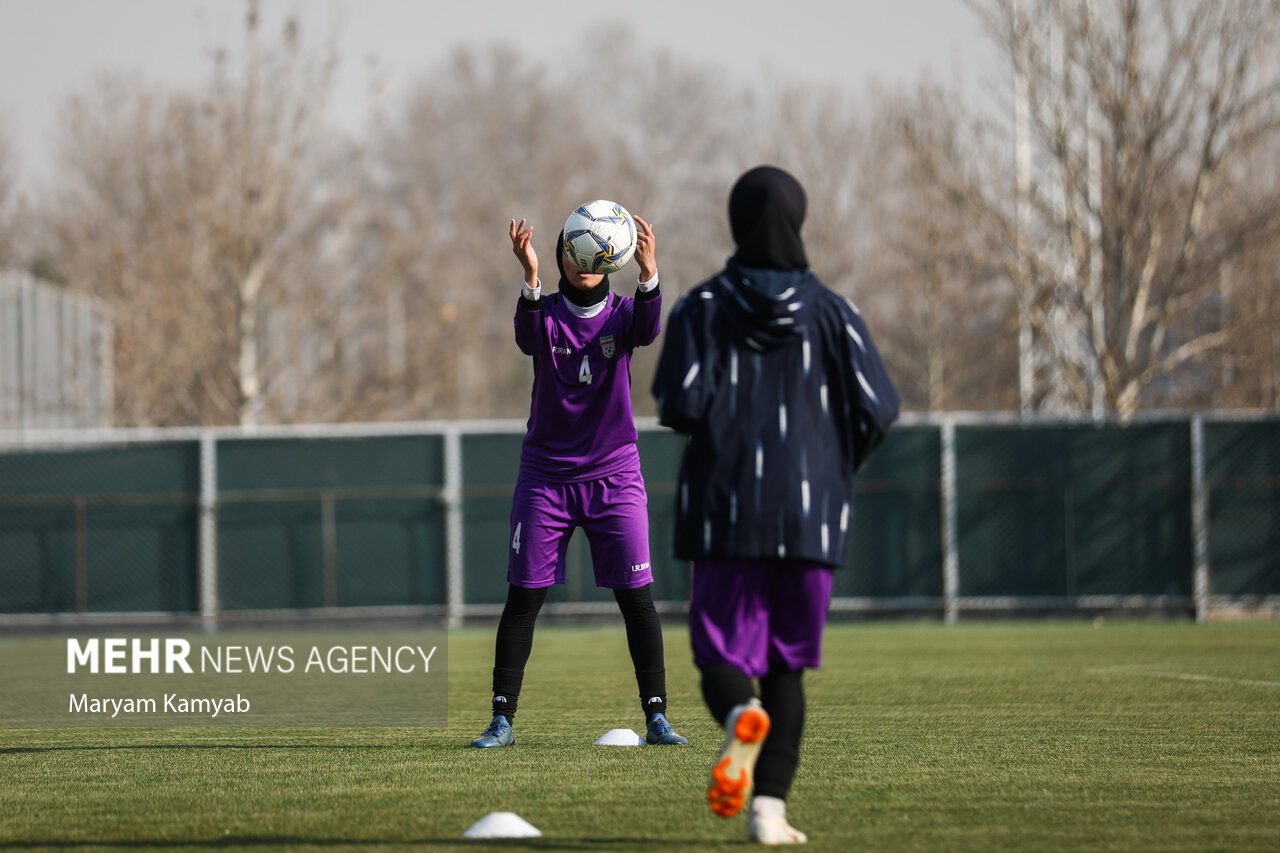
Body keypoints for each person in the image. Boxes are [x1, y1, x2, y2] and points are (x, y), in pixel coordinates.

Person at [651, 166, 898, 844]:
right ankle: (770, 813)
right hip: (813, 514)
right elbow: (878, 408)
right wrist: (830, 467)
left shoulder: (701, 308)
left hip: (728, 510)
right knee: (788, 665)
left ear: (735, 222)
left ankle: (738, 719)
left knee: (721, 656)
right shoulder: (835, 313)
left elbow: (679, 403)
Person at [469, 208, 687, 749]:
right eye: (574, 248)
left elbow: (651, 325)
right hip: (546, 478)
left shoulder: (621, 315)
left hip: (615, 475)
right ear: (566, 253)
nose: (584, 259)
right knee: (524, 598)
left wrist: (650, 270)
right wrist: (530, 275)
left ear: (608, 256)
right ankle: (502, 721)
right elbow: (524, 337)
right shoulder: (542, 315)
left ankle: (658, 718)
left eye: (593, 251)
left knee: (637, 598)